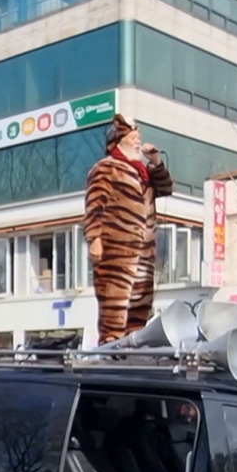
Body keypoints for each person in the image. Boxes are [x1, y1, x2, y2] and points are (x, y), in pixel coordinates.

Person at [83, 113, 174, 345]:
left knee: (140, 303)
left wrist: (155, 161)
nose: (137, 140)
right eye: (132, 136)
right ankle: (110, 345)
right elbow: (95, 204)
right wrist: (94, 238)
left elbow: (166, 187)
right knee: (115, 302)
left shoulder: (142, 171)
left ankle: (133, 344)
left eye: (138, 136)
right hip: (117, 250)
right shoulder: (105, 168)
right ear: (118, 140)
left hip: (144, 250)